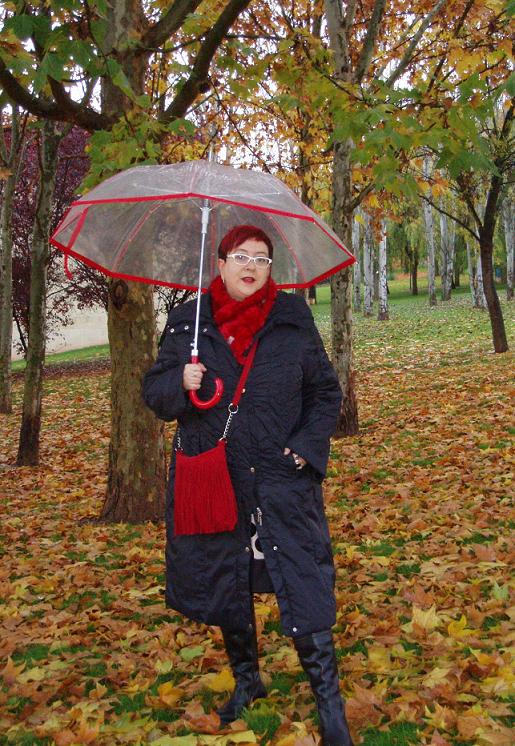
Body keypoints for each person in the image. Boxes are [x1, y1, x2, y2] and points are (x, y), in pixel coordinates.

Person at [142, 225, 353, 746]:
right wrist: (180, 383)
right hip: (217, 478)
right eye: (240, 256)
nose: (251, 266)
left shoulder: (292, 317)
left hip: (282, 479)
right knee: (227, 581)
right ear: (219, 263)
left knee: (303, 582)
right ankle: (247, 681)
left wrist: (306, 446)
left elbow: (325, 392)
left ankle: (330, 706)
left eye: (261, 258)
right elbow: (155, 394)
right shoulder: (189, 322)